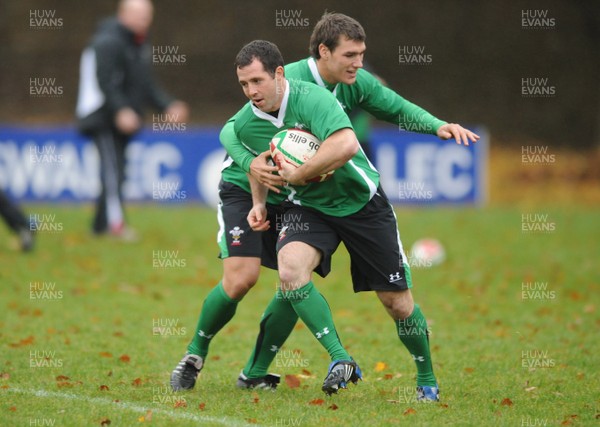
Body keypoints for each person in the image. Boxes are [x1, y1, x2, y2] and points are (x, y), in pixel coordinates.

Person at [227, 13, 479, 402]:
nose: (359, 63)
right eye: (351, 54)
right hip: (309, 207)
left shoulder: (348, 85)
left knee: (397, 302)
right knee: (291, 272)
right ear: (324, 52)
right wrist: (259, 193)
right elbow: (243, 135)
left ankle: (426, 376)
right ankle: (338, 359)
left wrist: (437, 125)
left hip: (362, 203)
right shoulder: (281, 82)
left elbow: (392, 108)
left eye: (362, 54)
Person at [170, 40, 361, 395]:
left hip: (291, 196)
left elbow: (345, 142)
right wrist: (249, 167)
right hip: (243, 192)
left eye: (256, 81)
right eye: (244, 84)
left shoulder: (309, 100)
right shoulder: (245, 120)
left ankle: (254, 372)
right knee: (242, 278)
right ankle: (194, 354)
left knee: (294, 277)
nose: (251, 91)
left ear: (278, 75)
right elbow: (227, 133)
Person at [75, 0, 188, 239]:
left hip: (122, 119)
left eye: (147, 16)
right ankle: (116, 226)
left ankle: (99, 226)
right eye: (139, 15)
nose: (144, 21)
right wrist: (121, 109)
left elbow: (144, 84)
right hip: (101, 118)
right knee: (113, 171)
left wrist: (167, 104)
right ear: (123, 14)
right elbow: (104, 82)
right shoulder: (107, 41)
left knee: (117, 172)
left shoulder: (137, 42)